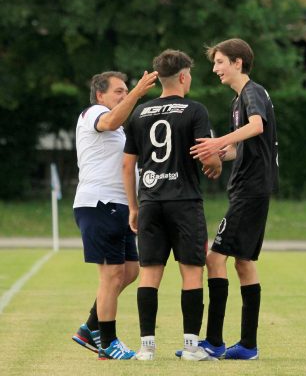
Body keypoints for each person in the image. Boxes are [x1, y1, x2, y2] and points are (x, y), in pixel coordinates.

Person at [122, 49, 222, 361]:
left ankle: (146, 348)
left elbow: (128, 166)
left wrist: (134, 207)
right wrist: (217, 164)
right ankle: (192, 347)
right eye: (189, 74)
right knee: (191, 272)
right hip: (184, 201)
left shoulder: (139, 112)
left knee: (149, 274)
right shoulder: (194, 110)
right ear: (182, 76)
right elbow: (206, 153)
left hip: (150, 201)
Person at [188, 38, 278, 360]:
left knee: (214, 258)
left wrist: (218, 141)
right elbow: (241, 146)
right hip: (249, 187)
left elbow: (256, 127)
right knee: (244, 263)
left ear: (238, 62)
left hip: (251, 189)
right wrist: (216, 154)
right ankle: (249, 345)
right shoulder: (238, 100)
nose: (215, 69)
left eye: (220, 62)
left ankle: (213, 342)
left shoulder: (252, 93)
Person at [71, 69, 158, 360]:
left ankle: (90, 327)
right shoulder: (95, 113)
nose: (123, 94)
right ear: (100, 95)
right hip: (99, 203)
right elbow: (110, 120)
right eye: (118, 91)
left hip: (119, 206)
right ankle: (107, 342)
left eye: (125, 90)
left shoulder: (120, 126)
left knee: (130, 271)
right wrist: (137, 93)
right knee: (111, 275)